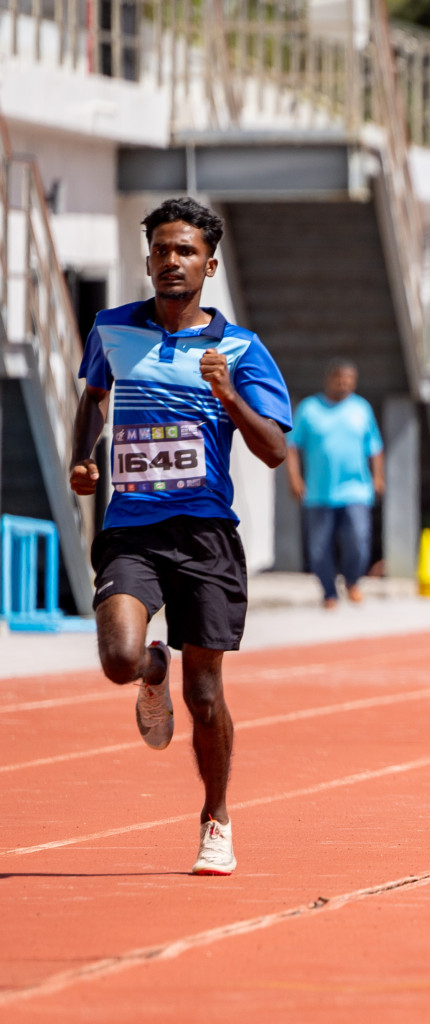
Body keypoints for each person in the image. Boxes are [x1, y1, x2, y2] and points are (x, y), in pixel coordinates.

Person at [69, 197, 291, 875]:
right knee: (117, 657)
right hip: (132, 530)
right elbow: (93, 399)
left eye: (186, 251)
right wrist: (84, 455)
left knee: (206, 696)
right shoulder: (112, 331)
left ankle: (216, 817)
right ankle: (147, 669)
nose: (172, 261)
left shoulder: (241, 349)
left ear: (210, 264)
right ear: (148, 261)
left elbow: (277, 451)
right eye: (162, 250)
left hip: (205, 538)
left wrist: (228, 398)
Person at [286, 359, 383, 609]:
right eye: (340, 378)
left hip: (356, 489)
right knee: (319, 548)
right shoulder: (309, 409)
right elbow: (293, 446)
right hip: (319, 492)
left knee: (359, 540)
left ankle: (352, 580)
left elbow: (375, 447)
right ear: (329, 379)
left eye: (350, 379)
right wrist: (295, 478)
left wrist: (378, 477)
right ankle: (329, 592)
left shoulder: (362, 408)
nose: (345, 384)